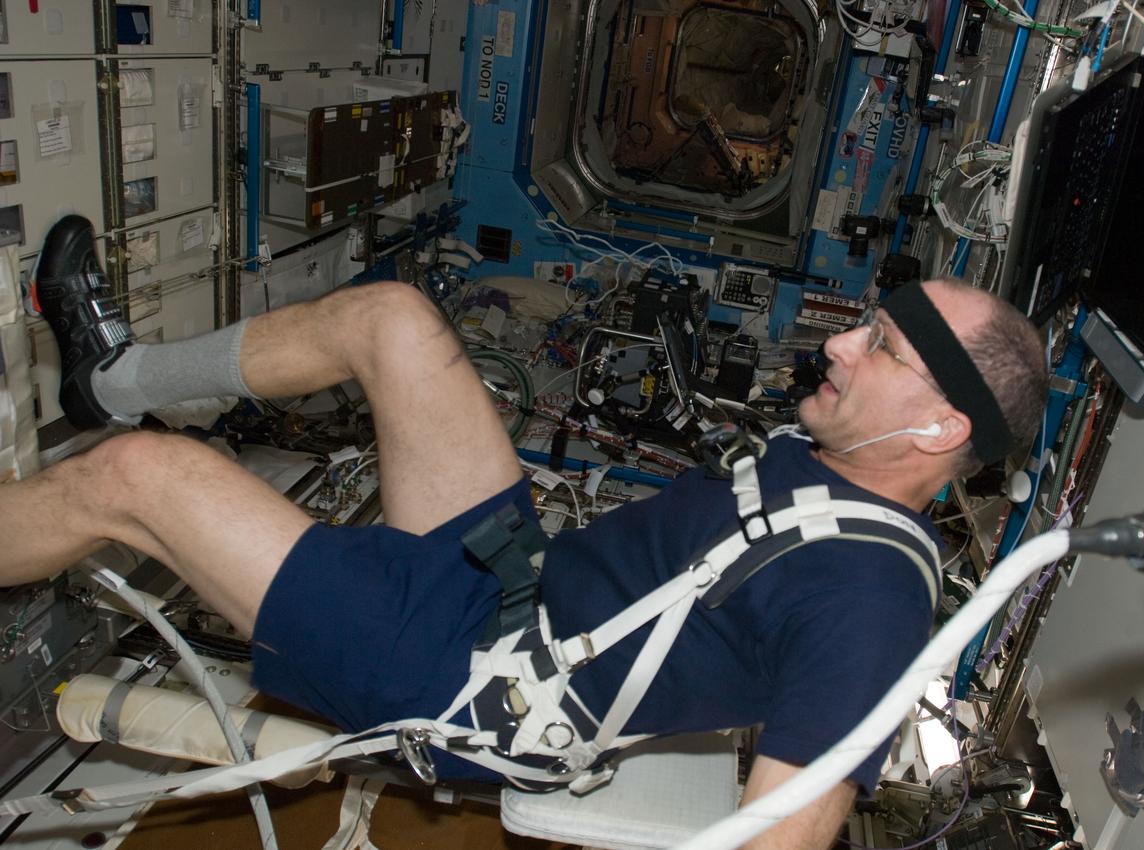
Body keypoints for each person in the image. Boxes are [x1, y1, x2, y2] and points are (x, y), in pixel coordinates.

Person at [1, 215, 1046, 849]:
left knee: (143, 477)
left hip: (460, 678)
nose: (838, 341)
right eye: (866, 321)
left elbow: (790, 826)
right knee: (394, 321)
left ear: (939, 426)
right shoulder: (842, 479)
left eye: (880, 346)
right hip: (515, 584)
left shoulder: (867, 605)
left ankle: (101, 450)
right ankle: (112, 377)